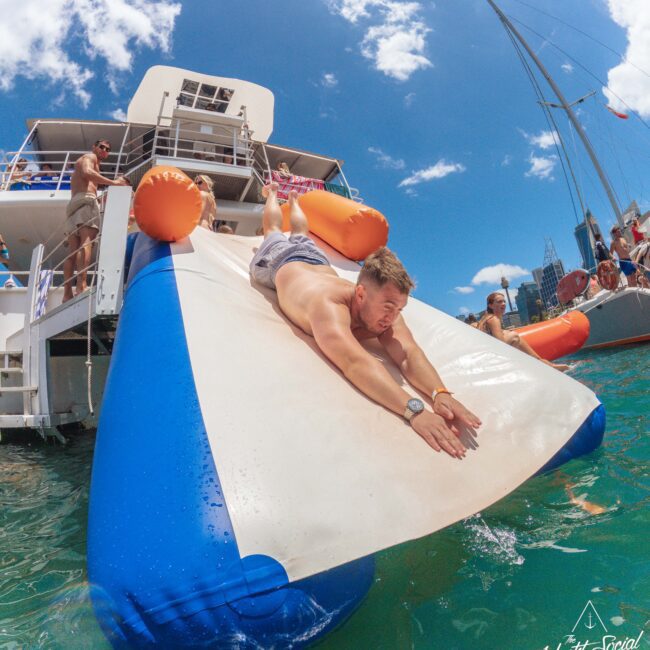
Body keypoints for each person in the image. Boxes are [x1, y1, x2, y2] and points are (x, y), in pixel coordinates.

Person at [249, 182, 481, 458]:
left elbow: (408, 353)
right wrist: (414, 410)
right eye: (388, 306)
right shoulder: (328, 306)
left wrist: (439, 392)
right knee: (275, 231)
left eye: (399, 309)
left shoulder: (384, 309)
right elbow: (355, 363)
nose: (392, 317)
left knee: (301, 232)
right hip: (280, 262)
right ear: (360, 294)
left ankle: (295, 200)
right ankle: (273, 194)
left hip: (316, 260)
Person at [62, 139, 129, 302]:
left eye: (107, 149)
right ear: (94, 147)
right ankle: (81, 286)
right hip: (86, 202)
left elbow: (86, 177)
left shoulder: (91, 161)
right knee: (86, 243)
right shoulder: (89, 157)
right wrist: (113, 183)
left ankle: (67, 294)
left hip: (74, 206)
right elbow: (86, 172)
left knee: (72, 251)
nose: (104, 150)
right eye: (102, 147)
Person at [477, 292, 570, 372]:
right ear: (491, 305)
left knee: (508, 333)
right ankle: (547, 365)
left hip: (485, 355)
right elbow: (500, 345)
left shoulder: (486, 318)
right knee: (514, 336)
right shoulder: (493, 319)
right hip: (493, 357)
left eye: (504, 301)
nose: (504, 304)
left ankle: (545, 364)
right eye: (499, 302)